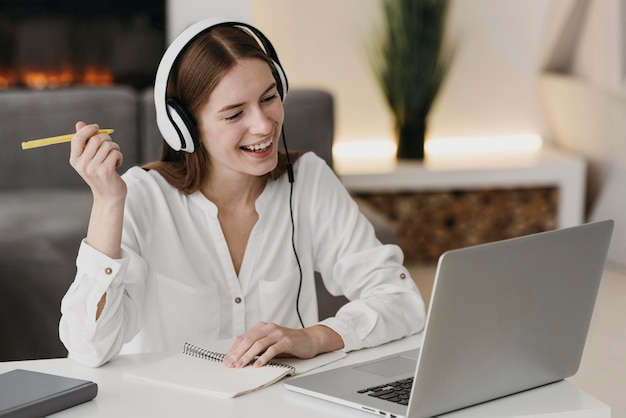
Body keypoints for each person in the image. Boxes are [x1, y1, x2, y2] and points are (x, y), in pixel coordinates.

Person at [59, 18, 425, 368]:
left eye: (268, 98)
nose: (263, 125)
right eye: (234, 114)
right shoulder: (143, 197)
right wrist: (108, 202)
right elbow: (89, 348)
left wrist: (316, 337)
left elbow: (401, 300)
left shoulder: (308, 180)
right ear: (184, 128)